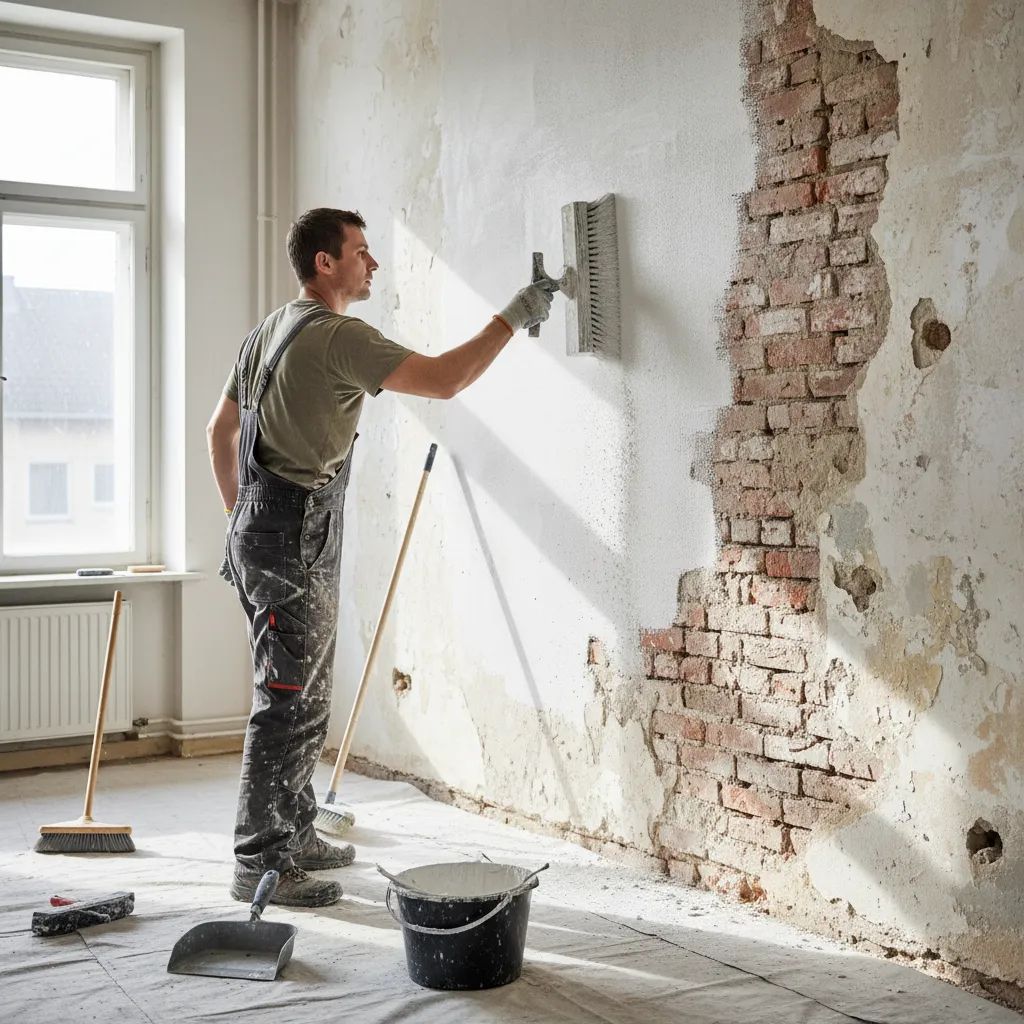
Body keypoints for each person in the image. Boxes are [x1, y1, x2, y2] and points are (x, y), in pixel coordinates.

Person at [206, 207, 554, 907]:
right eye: (362, 252)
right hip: (291, 535)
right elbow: (448, 379)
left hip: (267, 530)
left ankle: (295, 832)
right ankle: (258, 861)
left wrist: (243, 521)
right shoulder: (339, 338)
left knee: (303, 696)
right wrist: (518, 312)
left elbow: (221, 430)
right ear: (326, 263)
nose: (373, 264)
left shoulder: (267, 330)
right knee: (283, 701)